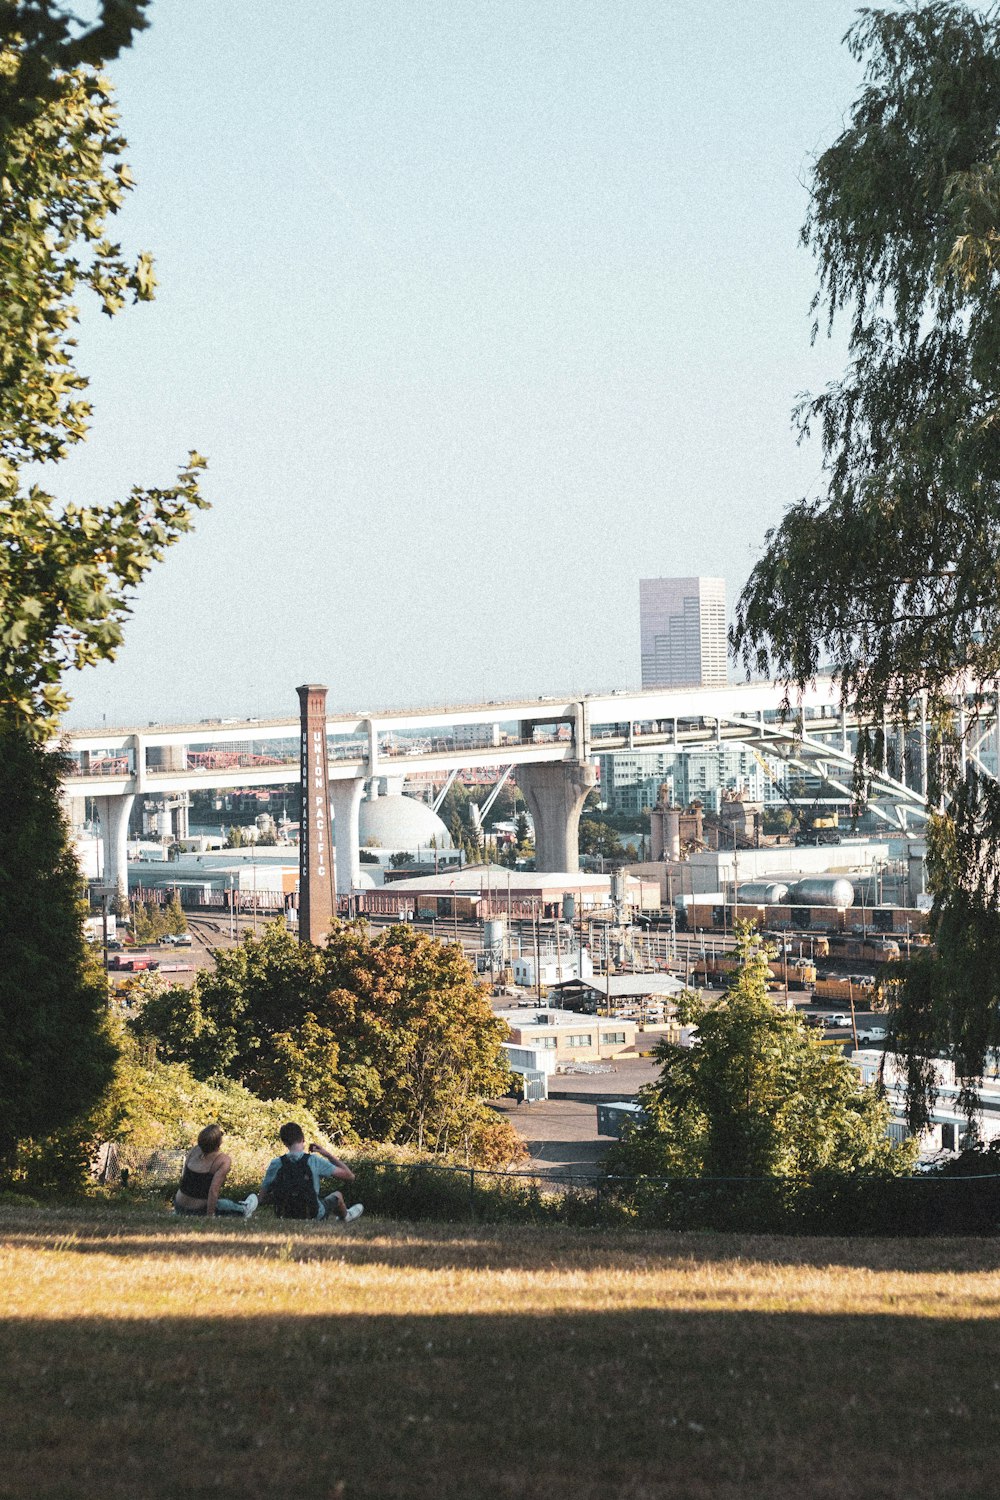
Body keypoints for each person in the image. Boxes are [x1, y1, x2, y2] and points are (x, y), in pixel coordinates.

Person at [258, 1122, 364, 1223]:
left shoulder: (276, 1163)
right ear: (303, 1139)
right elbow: (350, 1176)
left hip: (284, 1213)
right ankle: (346, 1216)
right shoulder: (314, 1160)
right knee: (337, 1195)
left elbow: (262, 1196)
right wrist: (327, 1154)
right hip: (312, 1213)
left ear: (284, 1142)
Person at [173, 1123, 259, 1220]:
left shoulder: (193, 1151)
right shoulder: (223, 1160)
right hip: (199, 1209)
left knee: (221, 1202)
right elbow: (213, 1191)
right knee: (224, 1204)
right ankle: (244, 1209)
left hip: (178, 1205)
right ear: (218, 1142)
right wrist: (210, 1217)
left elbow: (185, 1178)